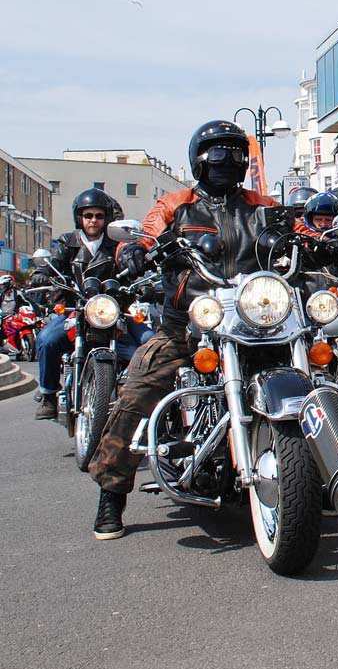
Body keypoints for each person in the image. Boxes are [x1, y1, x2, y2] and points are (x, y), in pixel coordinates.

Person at [87, 119, 283, 541]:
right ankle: (112, 490)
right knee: (136, 391)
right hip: (188, 327)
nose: (227, 160)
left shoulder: (262, 204)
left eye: (235, 152)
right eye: (217, 152)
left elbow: (298, 233)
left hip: (253, 324)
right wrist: (135, 251)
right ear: (199, 158)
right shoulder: (176, 204)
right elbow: (146, 231)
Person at [29, 189, 152, 419]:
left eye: (98, 215)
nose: (93, 220)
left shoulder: (116, 243)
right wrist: (42, 272)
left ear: (106, 218)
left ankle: (149, 401)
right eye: (88, 216)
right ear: (80, 218)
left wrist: (139, 268)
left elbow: (128, 257)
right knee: (46, 340)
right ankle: (48, 395)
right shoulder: (68, 242)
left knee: (149, 343)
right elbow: (53, 262)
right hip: (76, 308)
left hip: (115, 310)